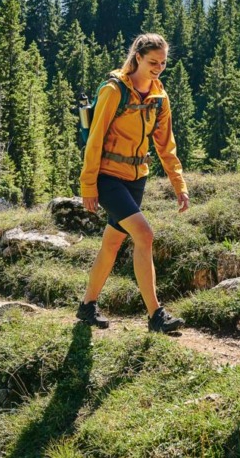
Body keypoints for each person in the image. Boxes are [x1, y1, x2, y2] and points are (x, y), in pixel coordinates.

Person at [76, 33, 190, 333]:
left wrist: (179, 184)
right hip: (108, 177)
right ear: (137, 57)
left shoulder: (159, 97)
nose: (158, 68)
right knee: (145, 235)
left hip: (136, 178)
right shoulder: (114, 91)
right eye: (153, 62)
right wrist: (88, 186)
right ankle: (156, 315)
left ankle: (87, 306)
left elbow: (166, 146)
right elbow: (95, 139)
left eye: (163, 63)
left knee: (112, 244)